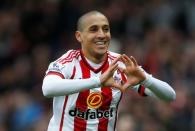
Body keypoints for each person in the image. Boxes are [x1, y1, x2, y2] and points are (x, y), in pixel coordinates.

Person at [42, 10, 176, 131]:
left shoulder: (120, 64)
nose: (101, 35)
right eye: (93, 30)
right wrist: (98, 81)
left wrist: (146, 80)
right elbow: (48, 89)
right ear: (79, 36)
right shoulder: (69, 61)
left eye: (105, 29)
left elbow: (170, 96)